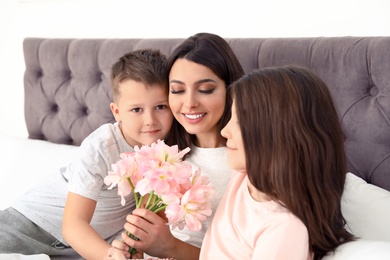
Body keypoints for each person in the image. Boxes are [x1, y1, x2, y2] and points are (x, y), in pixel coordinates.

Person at [0, 49, 173, 260]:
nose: (150, 120)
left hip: (87, 246)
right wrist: (110, 256)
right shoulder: (101, 147)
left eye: (161, 106)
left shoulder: (169, 151)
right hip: (34, 222)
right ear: (116, 112)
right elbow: (73, 225)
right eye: (137, 109)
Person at [105, 32, 245, 260]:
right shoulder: (164, 155)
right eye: (178, 90)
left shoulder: (245, 160)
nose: (189, 103)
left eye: (206, 89)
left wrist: (172, 248)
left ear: (230, 89)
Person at [199, 65, 356, 259]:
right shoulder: (244, 176)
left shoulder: (283, 229)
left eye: (239, 121)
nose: (224, 132)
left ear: (275, 135)